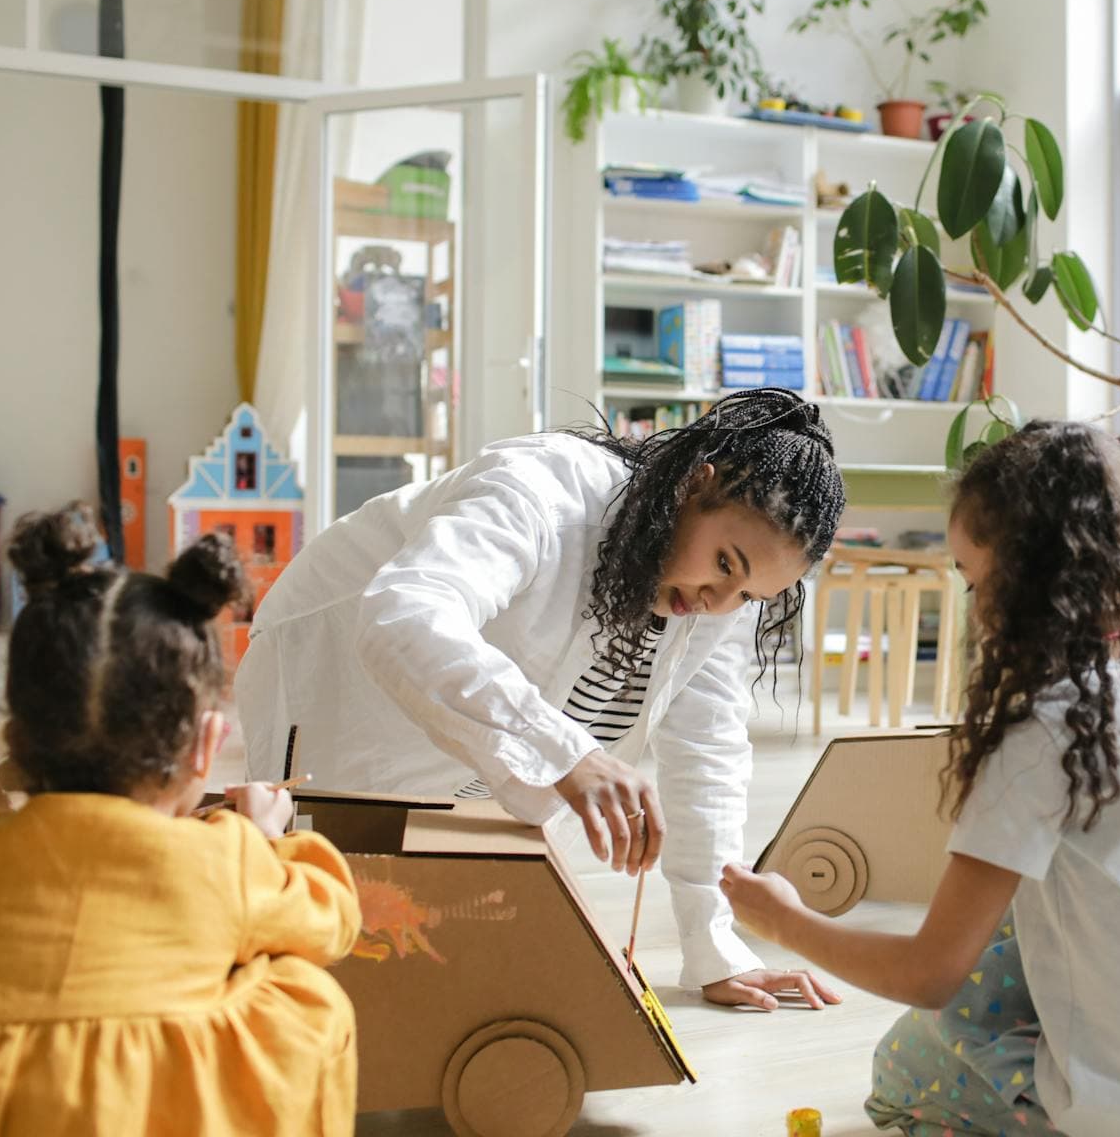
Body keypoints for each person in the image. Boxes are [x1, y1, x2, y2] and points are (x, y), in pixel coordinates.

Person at [722, 422, 1120, 1135]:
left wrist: (786, 920)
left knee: (903, 1074)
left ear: (1033, 577)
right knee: (1022, 921)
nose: (975, 612)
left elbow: (928, 973)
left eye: (976, 582)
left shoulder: (1051, 733)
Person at [236, 388, 848, 1007]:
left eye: (749, 595)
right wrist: (565, 753)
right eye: (723, 562)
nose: (719, 601)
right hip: (330, 670)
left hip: (472, 735)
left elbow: (708, 747)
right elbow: (407, 616)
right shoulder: (542, 488)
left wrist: (713, 944)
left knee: (425, 951)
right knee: (315, 924)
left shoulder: (719, 599)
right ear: (695, 485)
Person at [0, 505, 360, 1135]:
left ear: (17, 734)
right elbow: (333, 921)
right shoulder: (226, 859)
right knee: (309, 992)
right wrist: (270, 840)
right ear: (204, 746)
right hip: (153, 1107)